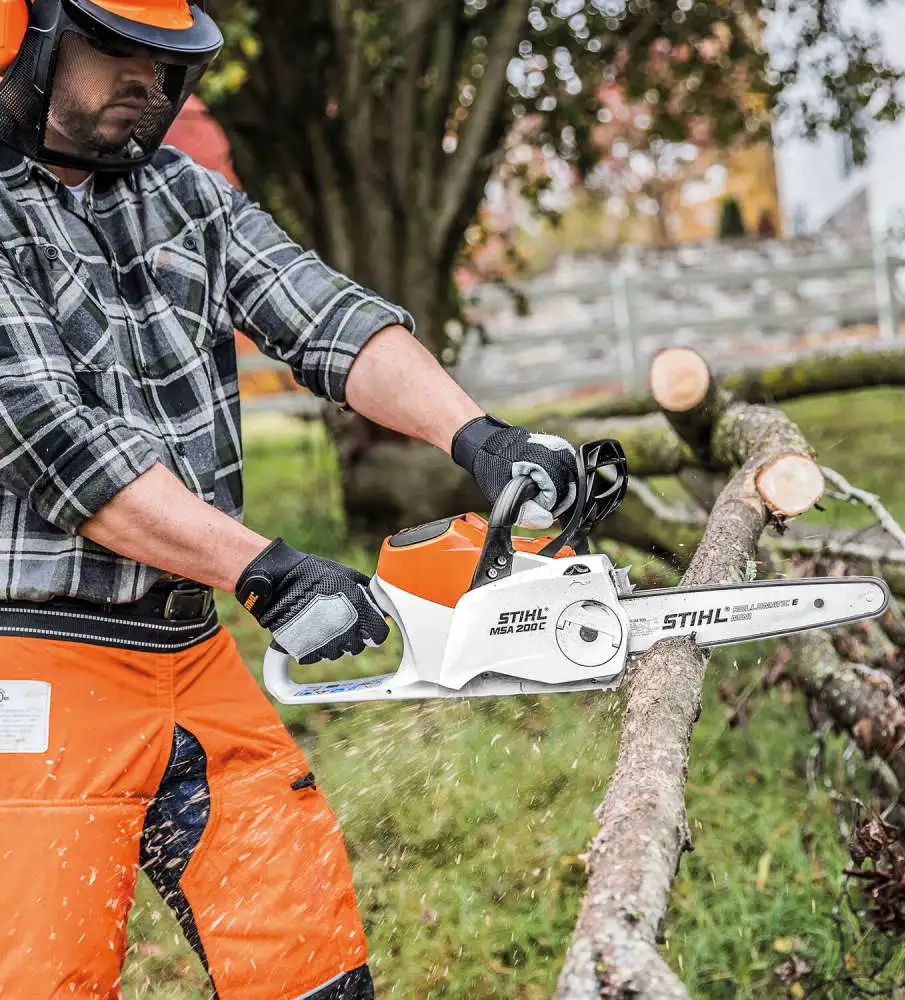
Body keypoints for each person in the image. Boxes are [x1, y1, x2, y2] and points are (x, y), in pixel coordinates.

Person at [0, 3, 579, 998]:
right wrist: (262, 566)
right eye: (119, 51)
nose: (148, 77)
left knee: (310, 964)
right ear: (26, 40)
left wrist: (475, 434)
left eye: (163, 58)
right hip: (36, 674)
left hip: (188, 651)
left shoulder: (183, 195)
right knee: (45, 979)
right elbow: (58, 444)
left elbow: (323, 314)